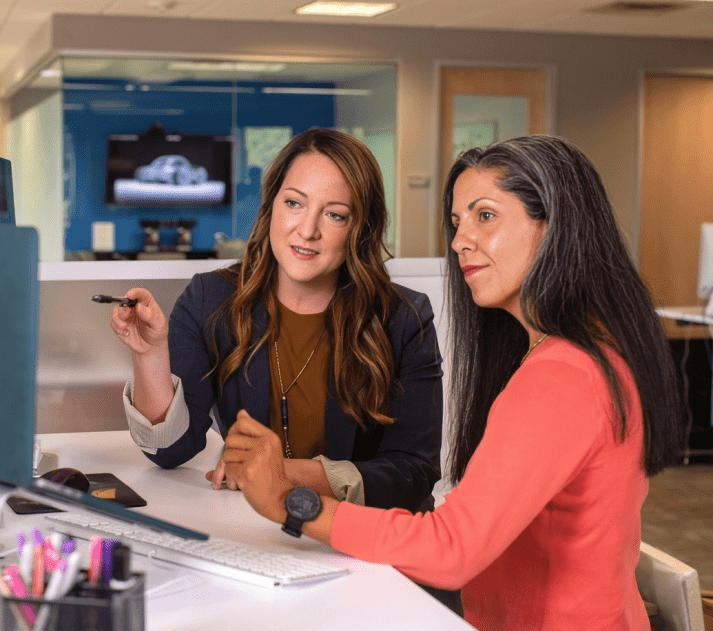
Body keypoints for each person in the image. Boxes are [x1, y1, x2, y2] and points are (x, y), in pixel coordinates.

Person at [221, 134, 684, 630]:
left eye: (485, 216)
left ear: (555, 227)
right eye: (458, 222)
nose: (461, 240)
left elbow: (452, 550)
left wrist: (293, 505)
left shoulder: (562, 376)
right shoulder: (591, 349)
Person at [110, 128, 457, 609]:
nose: (307, 230)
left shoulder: (403, 317)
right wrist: (149, 354)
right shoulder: (210, 300)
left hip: (368, 553)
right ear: (272, 204)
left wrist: (283, 477)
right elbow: (172, 451)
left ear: (360, 228)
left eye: (334, 215)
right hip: (261, 547)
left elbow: (414, 473)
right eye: (294, 204)